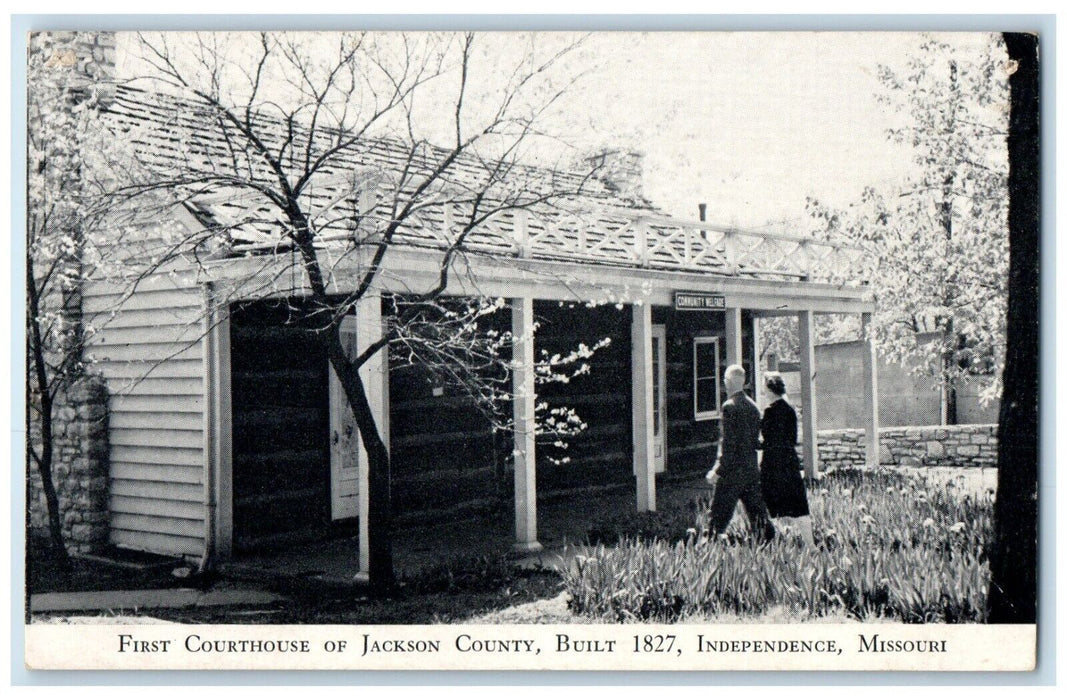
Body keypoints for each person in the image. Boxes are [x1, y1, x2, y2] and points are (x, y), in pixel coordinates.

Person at [708, 364, 776, 542]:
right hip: (751, 471)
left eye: (724, 380)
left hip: (731, 474)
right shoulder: (753, 407)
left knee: (716, 519)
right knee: (759, 518)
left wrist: (718, 470)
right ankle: (771, 547)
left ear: (728, 382)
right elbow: (756, 441)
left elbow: (728, 444)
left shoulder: (729, 407)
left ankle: (709, 551)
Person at [759, 372, 814, 545]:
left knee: (767, 505)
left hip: (773, 464)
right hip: (789, 462)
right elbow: (792, 438)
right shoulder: (790, 410)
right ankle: (810, 544)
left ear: (769, 388)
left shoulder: (770, 411)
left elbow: (767, 440)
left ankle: (773, 544)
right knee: (799, 506)